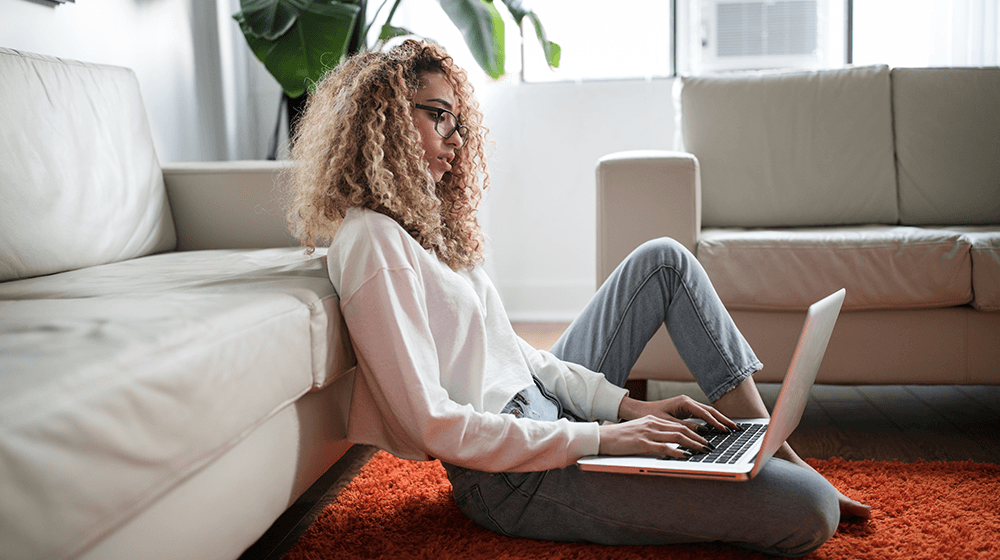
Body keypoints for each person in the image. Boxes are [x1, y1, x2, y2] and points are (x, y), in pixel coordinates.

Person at [287, 39, 870, 557]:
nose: (455, 141)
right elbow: (433, 425)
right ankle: (777, 469)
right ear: (384, 119)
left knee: (662, 260)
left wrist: (625, 408)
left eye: (458, 124)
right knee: (810, 510)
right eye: (439, 117)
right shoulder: (372, 241)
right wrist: (600, 437)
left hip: (544, 411)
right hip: (511, 478)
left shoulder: (423, 227)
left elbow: (514, 354)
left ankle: (770, 445)